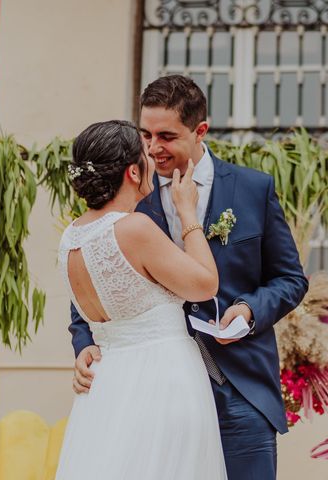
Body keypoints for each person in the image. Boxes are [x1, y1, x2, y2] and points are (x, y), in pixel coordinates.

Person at [70, 75, 309, 479]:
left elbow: (290, 279)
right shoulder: (127, 196)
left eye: (166, 135)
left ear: (200, 131)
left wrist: (250, 310)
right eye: (144, 133)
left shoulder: (253, 189)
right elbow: (95, 284)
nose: (151, 147)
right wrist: (83, 345)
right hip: (155, 393)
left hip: (239, 386)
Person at [56, 120, 227, 480]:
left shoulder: (70, 239)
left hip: (107, 386)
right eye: (145, 154)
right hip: (161, 382)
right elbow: (205, 284)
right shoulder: (133, 228)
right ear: (133, 172)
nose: (153, 156)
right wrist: (187, 213)